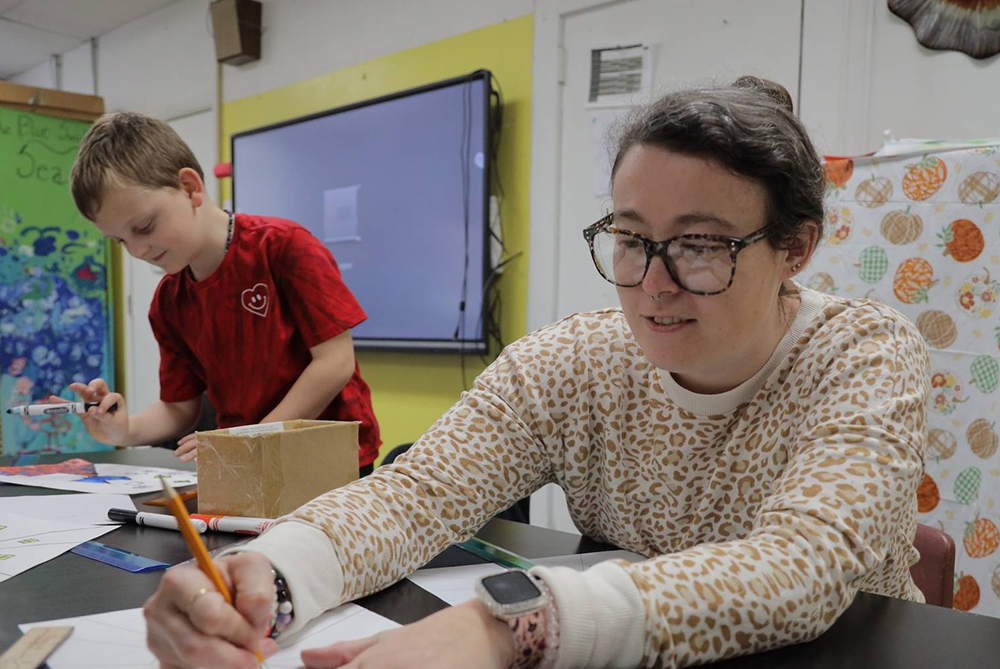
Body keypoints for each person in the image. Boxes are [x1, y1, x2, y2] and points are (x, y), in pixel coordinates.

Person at [142, 79, 928, 669]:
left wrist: (511, 623)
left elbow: (803, 565)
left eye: (700, 245)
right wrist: (274, 572)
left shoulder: (859, 353)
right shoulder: (573, 361)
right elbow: (417, 496)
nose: (652, 285)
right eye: (630, 238)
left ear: (795, 249)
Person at [60, 112, 381, 474]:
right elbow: (180, 408)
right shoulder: (169, 302)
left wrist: (256, 437)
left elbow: (335, 363)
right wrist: (125, 430)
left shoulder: (282, 247)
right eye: (120, 240)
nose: (137, 250)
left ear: (190, 187)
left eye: (145, 227)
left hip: (330, 463)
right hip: (242, 465)